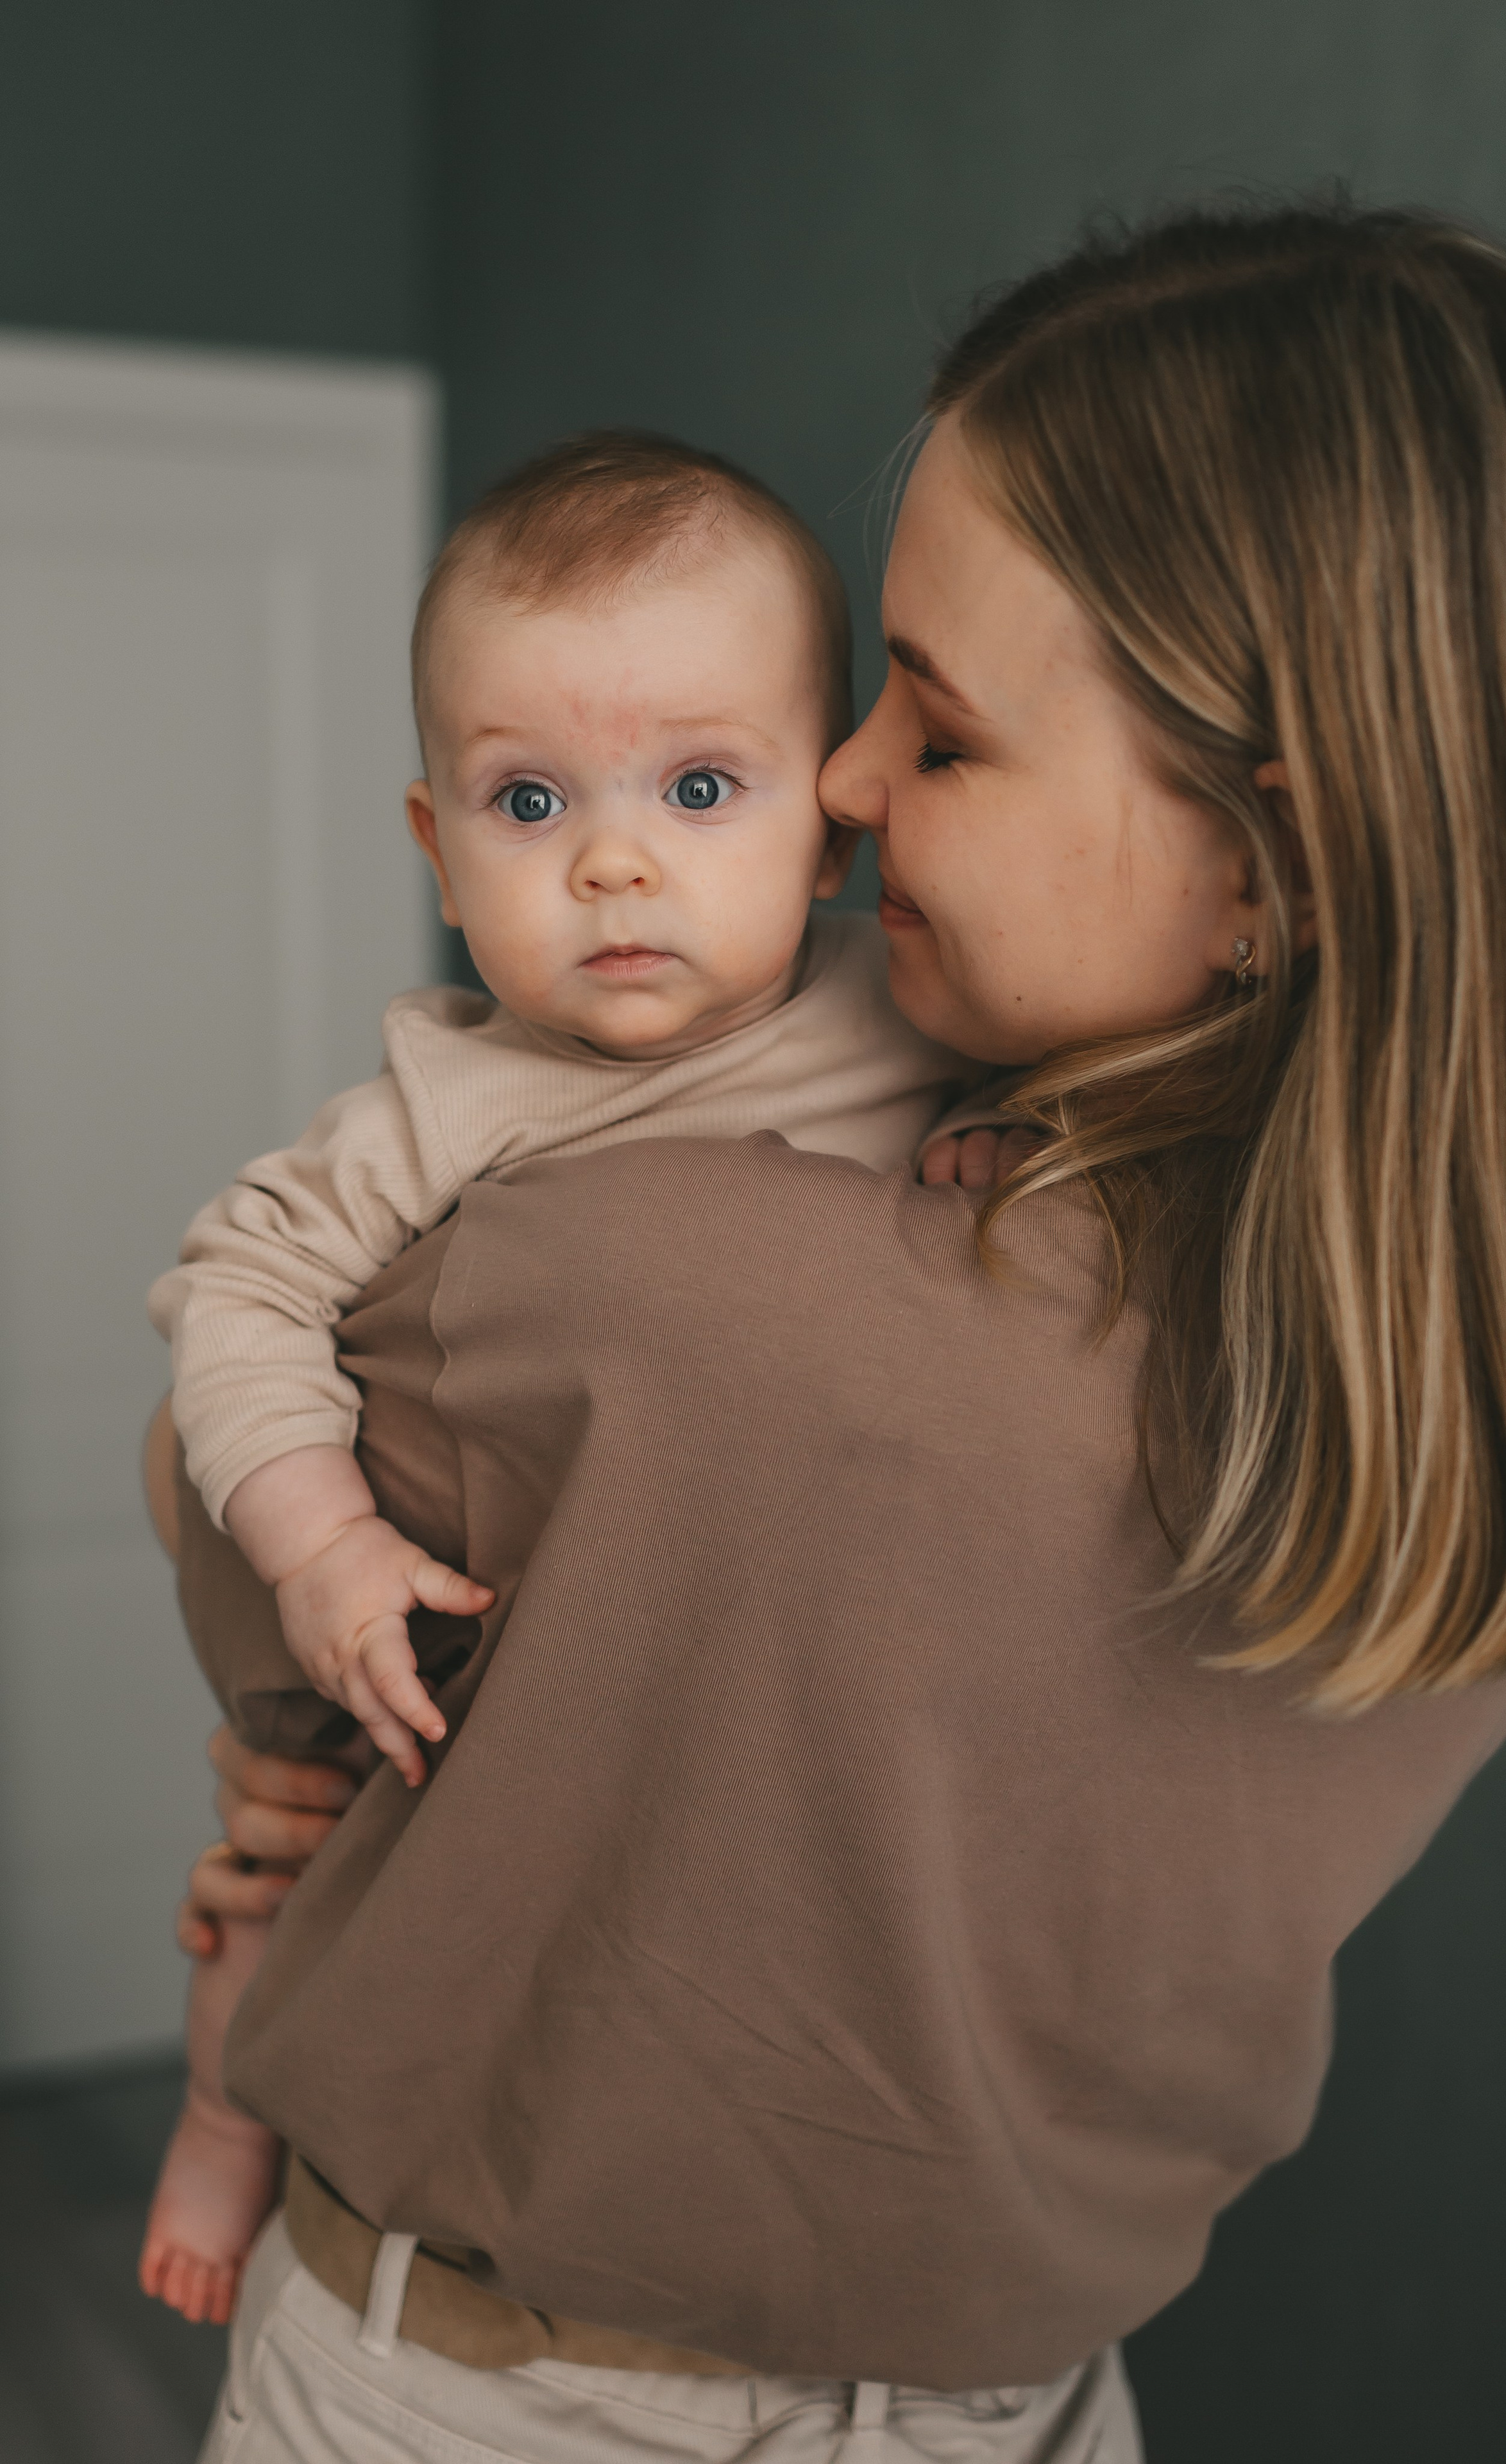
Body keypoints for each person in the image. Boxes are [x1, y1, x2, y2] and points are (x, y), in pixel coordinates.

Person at [162, 201, 1506, 2464]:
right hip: (1024, 2407)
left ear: (1281, 865)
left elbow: (217, 1508)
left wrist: (292, 1744)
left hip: (486, 2392)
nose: (840, 790)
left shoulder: (651, 1279)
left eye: (933, 738)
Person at [140, 430, 989, 2325]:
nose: (614, 859)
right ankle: (213, 2114)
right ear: (438, 849)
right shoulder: (447, 1092)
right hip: (423, 1651)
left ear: (834, 826)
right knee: (275, 1882)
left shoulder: (912, 1020)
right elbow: (233, 1290)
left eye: (700, 785)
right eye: (531, 803)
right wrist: (321, 1549)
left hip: (698, 1684)